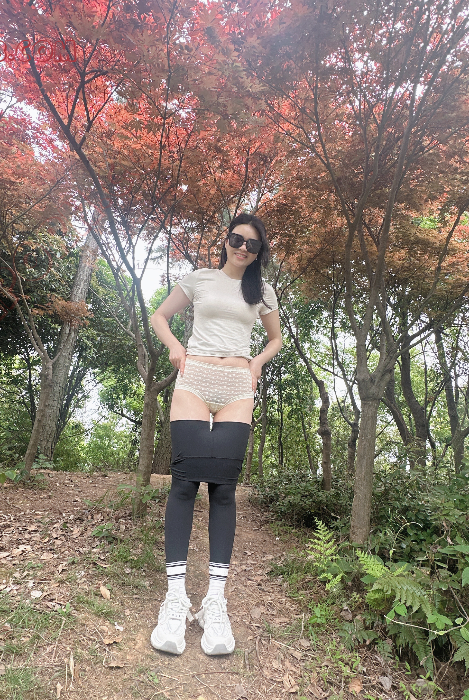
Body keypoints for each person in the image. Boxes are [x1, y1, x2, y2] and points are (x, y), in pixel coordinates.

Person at [149, 213, 282, 655]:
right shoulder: (200, 279)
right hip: (195, 378)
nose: (243, 247)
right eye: (238, 239)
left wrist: (257, 364)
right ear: (226, 240)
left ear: (259, 252)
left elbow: (275, 339)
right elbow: (160, 316)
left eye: (253, 244)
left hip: (237, 385)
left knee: (224, 489)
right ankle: (175, 599)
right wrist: (175, 347)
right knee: (184, 483)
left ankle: (214, 602)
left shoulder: (261, 291)